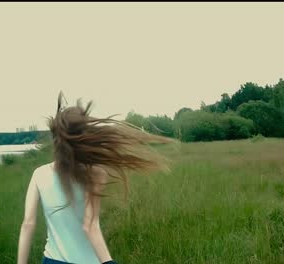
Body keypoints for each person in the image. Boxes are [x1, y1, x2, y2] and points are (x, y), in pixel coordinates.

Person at [17, 92, 176, 264]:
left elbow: (28, 224)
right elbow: (90, 226)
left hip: (52, 260)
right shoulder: (96, 173)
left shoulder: (39, 174)